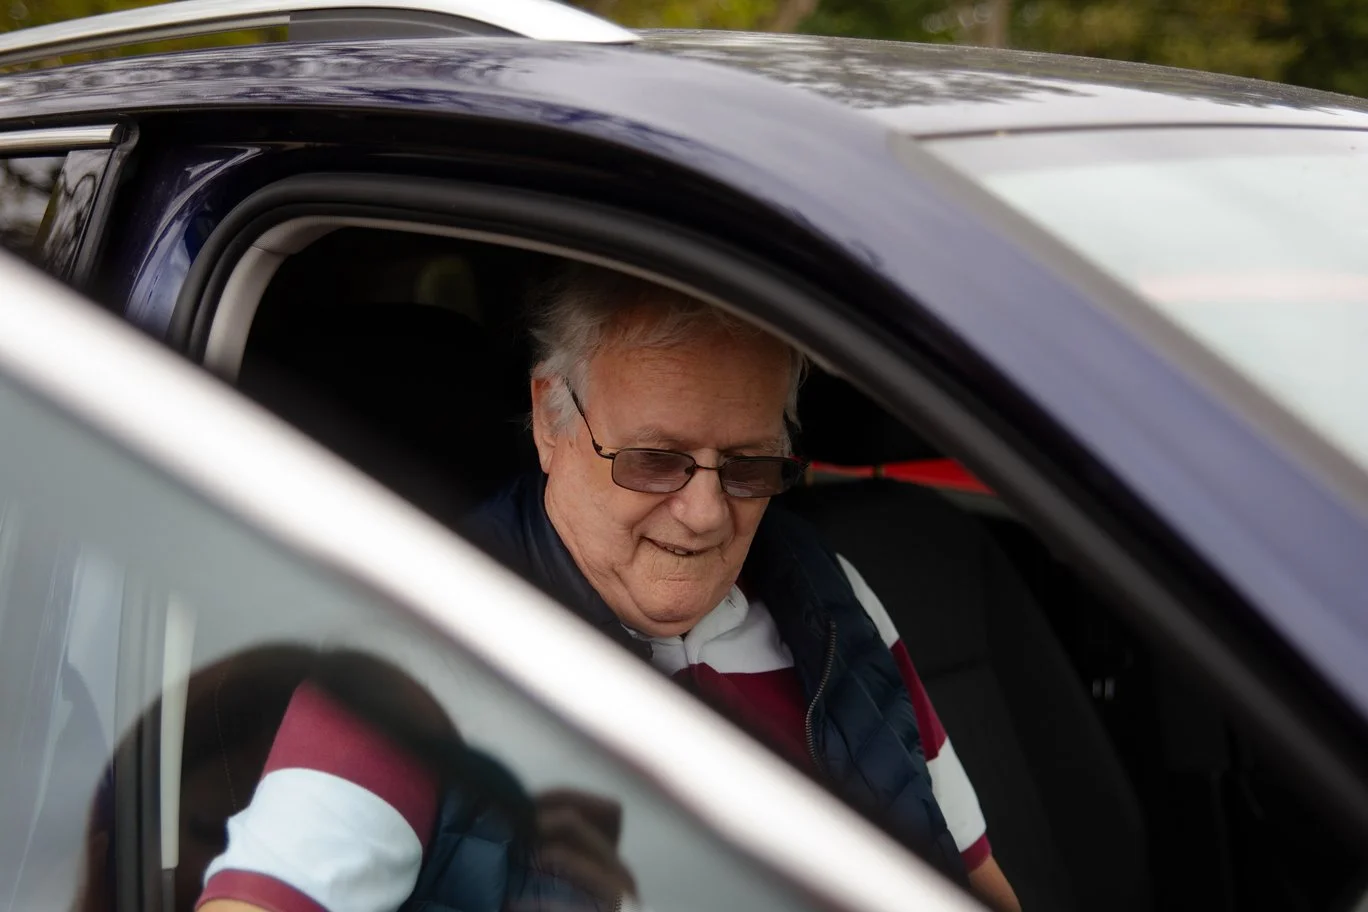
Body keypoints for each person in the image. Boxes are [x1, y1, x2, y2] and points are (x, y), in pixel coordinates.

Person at [197, 265, 1020, 912]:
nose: (703, 515)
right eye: (655, 460)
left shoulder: (831, 600)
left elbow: (973, 881)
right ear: (552, 419)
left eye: (748, 466)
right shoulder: (426, 638)